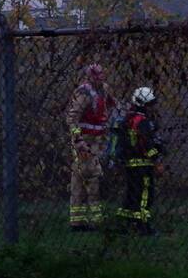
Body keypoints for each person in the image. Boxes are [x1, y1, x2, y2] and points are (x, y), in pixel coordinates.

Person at [66, 63, 115, 231]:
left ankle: (77, 221)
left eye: (102, 73)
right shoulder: (84, 93)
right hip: (85, 142)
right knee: (92, 177)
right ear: (90, 76)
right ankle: (95, 220)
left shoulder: (104, 89)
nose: (102, 77)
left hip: (98, 140)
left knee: (79, 179)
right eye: (98, 74)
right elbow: (72, 118)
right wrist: (78, 140)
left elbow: (111, 105)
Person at [115, 87, 163, 235]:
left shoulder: (126, 120)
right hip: (144, 164)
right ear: (143, 104)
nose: (152, 107)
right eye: (150, 104)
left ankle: (126, 224)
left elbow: (122, 142)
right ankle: (143, 226)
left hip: (130, 164)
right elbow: (146, 144)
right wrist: (156, 157)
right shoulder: (143, 122)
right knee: (145, 195)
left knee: (131, 194)